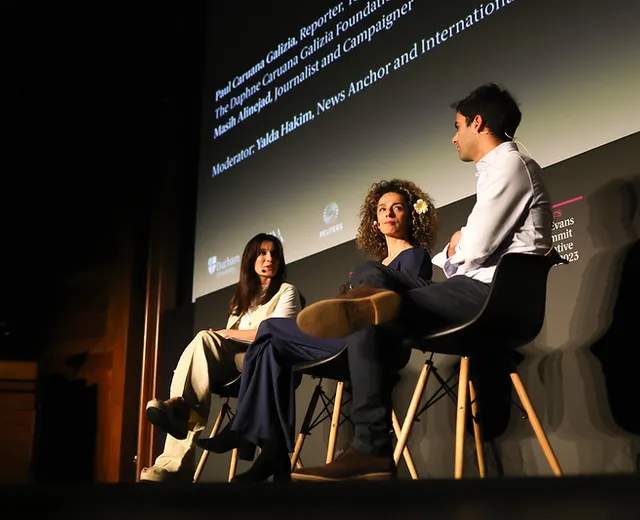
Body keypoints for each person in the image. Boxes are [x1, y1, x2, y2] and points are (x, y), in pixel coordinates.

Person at [291, 83, 554, 481]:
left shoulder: (509, 166)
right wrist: (457, 247)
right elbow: (467, 250)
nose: (454, 136)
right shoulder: (499, 171)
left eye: (458, 126)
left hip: (490, 297)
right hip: (469, 290)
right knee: (372, 275)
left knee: (370, 301)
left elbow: (475, 247)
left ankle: (371, 449)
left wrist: (455, 247)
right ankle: (368, 301)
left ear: (478, 123)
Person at [195, 179, 439, 482]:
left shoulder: (415, 256)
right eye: (382, 209)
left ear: (410, 216)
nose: (389, 213)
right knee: (270, 348)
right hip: (349, 340)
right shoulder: (374, 265)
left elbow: (399, 310)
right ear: (374, 222)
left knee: (269, 326)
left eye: (397, 208)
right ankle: (273, 453)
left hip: (375, 344)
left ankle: (243, 428)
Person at [140, 233, 302, 482]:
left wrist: (229, 332)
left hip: (265, 362)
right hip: (237, 366)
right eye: (262, 253)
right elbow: (229, 343)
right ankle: (176, 426)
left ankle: (178, 418)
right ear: (250, 259)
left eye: (274, 254)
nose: (269, 259)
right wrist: (226, 336)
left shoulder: (286, 292)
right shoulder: (242, 301)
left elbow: (276, 333)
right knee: (203, 340)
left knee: (211, 338)